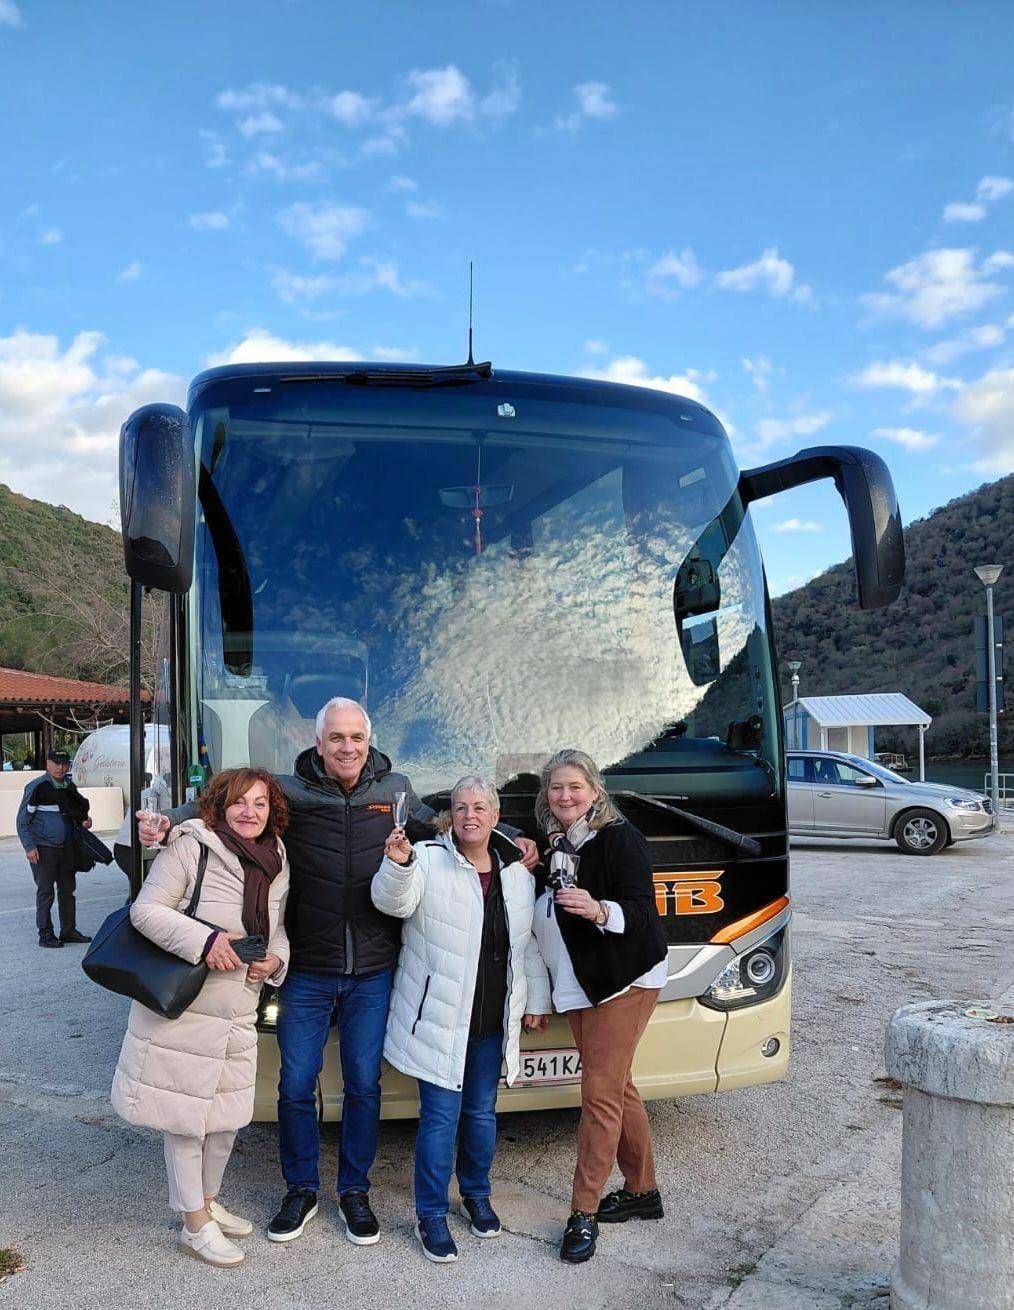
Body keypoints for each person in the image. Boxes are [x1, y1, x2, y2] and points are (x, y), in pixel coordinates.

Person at [138, 697, 539, 1247]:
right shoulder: (290, 791)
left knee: (363, 1085)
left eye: (356, 737)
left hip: (374, 970)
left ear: (368, 742)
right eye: (336, 738)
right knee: (295, 1084)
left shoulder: (395, 790)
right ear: (319, 742)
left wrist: (513, 834)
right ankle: (300, 1190)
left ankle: (355, 1191)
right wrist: (167, 821)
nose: (347, 747)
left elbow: (450, 822)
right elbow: (225, 805)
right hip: (307, 967)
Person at [112, 767, 290, 1268]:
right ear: (219, 806)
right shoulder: (192, 845)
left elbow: (276, 927)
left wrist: (277, 959)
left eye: (259, 803)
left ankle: (208, 1204)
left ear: (272, 810)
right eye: (239, 802)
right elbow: (146, 911)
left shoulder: (277, 855)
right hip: (186, 1005)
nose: (249, 812)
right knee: (187, 1121)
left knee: (227, 1118)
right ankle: (194, 1224)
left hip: (239, 1005)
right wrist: (207, 941)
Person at [373, 776, 551, 1263]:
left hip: (491, 1019)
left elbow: (526, 945)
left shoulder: (517, 874)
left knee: (481, 1114)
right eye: (460, 807)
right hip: (440, 1017)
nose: (470, 815)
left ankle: (476, 1194)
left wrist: (536, 1001)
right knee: (439, 1120)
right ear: (450, 816)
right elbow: (392, 903)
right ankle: (430, 1213)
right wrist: (397, 865)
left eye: (479, 807)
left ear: (496, 817)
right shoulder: (427, 858)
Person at [531, 749, 669, 1264]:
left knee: (599, 1097)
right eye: (556, 788)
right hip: (583, 984)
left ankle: (583, 1213)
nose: (565, 796)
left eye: (575, 786)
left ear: (594, 791)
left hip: (623, 981)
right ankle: (642, 1191)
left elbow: (641, 910)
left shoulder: (619, 838)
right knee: (617, 1086)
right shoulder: (560, 843)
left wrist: (598, 910)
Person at [16, 747, 94, 948]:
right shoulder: (37, 787)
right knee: (46, 892)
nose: (60, 767)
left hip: (67, 848)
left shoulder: (68, 785)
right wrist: (29, 847)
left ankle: (68, 931)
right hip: (44, 848)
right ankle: (45, 934)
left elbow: (75, 812)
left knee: (68, 891)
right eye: (56, 763)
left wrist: (83, 821)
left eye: (64, 764)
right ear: (48, 764)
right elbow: (22, 821)